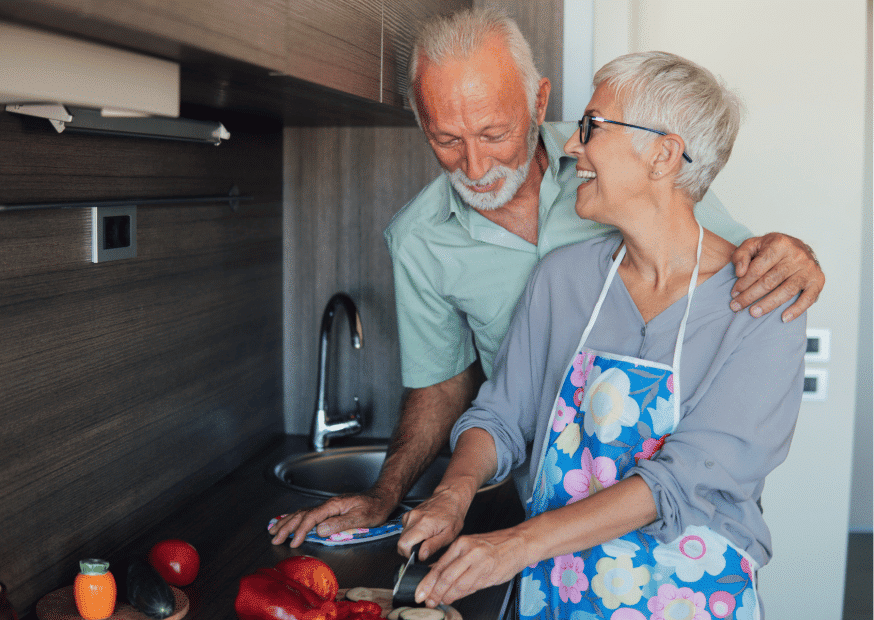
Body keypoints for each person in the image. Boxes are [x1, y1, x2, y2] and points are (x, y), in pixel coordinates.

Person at [269, 8, 823, 549]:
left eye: (493, 133)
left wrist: (795, 255)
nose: (477, 167)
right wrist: (394, 494)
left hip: (683, 551)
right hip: (545, 515)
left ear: (537, 102)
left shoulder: (627, 164)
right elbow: (451, 388)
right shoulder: (435, 243)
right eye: (445, 140)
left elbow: (733, 256)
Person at [396, 50, 806, 617]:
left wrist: (514, 545)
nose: (570, 145)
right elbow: (499, 416)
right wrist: (454, 491)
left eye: (591, 128)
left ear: (663, 154)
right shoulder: (562, 279)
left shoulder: (761, 304)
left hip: (691, 597)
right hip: (555, 589)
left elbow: (684, 479)